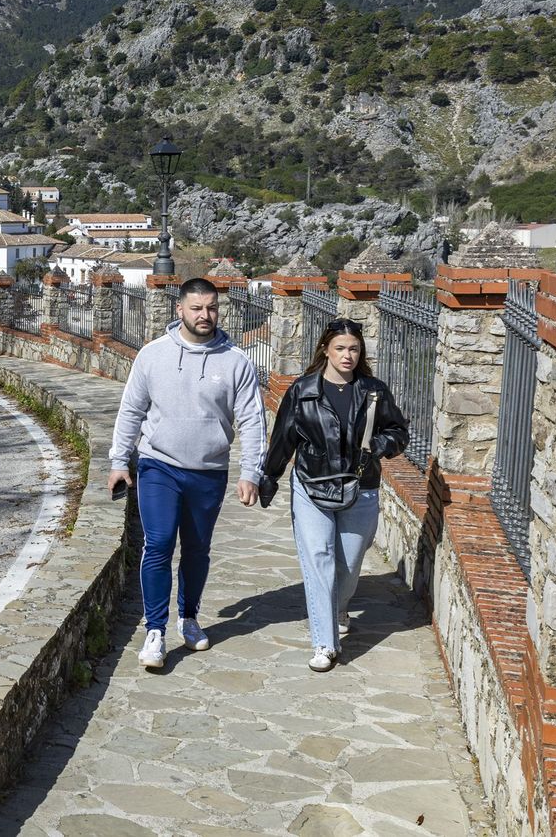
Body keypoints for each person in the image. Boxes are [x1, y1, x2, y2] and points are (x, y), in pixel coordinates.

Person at [108, 277, 268, 669]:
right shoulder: (153, 355)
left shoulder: (236, 361)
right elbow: (131, 410)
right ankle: (155, 630)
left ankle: (189, 617)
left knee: (196, 550)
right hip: (158, 464)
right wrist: (118, 461)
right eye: (196, 308)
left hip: (209, 471)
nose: (205, 315)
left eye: (211, 308)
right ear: (179, 309)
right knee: (159, 543)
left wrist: (251, 472)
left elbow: (252, 420)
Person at [259, 317, 409, 672]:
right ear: (325, 349)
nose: (347, 355)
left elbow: (399, 431)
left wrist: (380, 444)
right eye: (340, 348)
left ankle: (340, 607)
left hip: (361, 486)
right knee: (319, 560)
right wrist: (270, 475)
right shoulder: (303, 390)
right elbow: (283, 437)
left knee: (349, 564)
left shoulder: (374, 391)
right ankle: (325, 643)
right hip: (311, 485)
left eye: (354, 349)